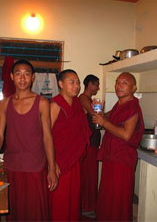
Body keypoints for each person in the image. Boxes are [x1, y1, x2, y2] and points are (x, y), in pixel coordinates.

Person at [0, 59, 58, 221]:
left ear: (33, 77)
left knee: (36, 213)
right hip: (12, 167)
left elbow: (47, 137)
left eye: (27, 74)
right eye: (18, 74)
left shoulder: (42, 103)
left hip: (35, 167)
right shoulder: (4, 104)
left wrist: (51, 168)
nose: (22, 78)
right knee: (15, 213)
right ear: (11, 77)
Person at [92, 72, 144, 222]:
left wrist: (104, 123)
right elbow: (111, 116)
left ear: (134, 88)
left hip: (121, 159)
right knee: (107, 197)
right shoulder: (120, 103)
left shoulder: (132, 107)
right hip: (112, 156)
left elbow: (127, 134)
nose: (119, 86)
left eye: (124, 83)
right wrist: (101, 115)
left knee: (118, 200)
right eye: (117, 82)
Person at [49, 69, 91, 221]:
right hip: (60, 161)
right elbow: (45, 135)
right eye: (72, 82)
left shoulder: (77, 104)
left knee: (73, 198)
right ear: (61, 84)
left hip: (74, 160)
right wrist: (52, 163)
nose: (77, 86)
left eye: (78, 83)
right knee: (60, 200)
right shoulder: (55, 104)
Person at [78, 74, 101, 216]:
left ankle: (89, 205)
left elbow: (98, 118)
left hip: (93, 142)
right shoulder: (83, 98)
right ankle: (87, 207)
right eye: (96, 85)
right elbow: (94, 115)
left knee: (91, 175)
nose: (98, 88)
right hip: (88, 143)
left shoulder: (90, 100)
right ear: (90, 85)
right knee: (88, 175)